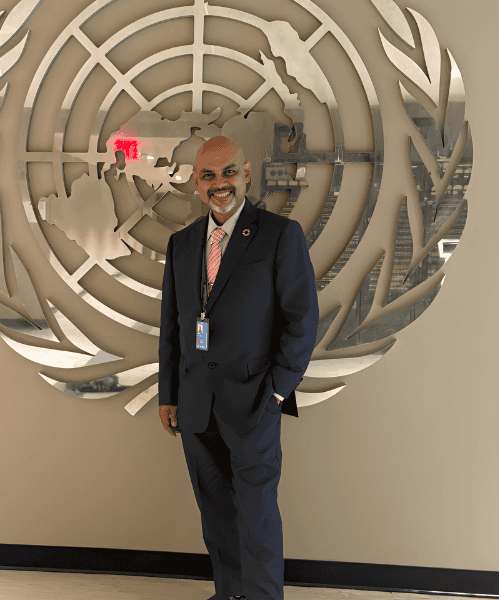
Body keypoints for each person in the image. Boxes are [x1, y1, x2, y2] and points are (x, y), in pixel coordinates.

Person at [158, 136, 318, 600]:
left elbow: (302, 320)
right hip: (195, 404)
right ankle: (229, 593)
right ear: (195, 182)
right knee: (216, 513)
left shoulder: (279, 235)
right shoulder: (183, 244)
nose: (219, 184)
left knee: (257, 512)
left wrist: (277, 392)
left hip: (254, 402)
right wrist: (169, 394)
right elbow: (172, 325)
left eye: (228, 172)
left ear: (246, 171)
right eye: (208, 175)